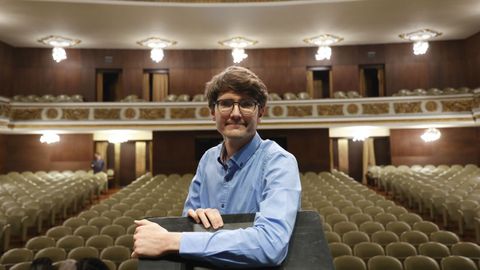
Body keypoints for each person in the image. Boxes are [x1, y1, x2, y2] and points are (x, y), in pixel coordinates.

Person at [132, 66, 301, 267]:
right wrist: (196, 219)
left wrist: (174, 240)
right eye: (226, 104)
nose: (236, 113)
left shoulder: (279, 161)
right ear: (213, 112)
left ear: (261, 112)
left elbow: (270, 244)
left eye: (246, 104)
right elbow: (188, 223)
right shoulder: (207, 160)